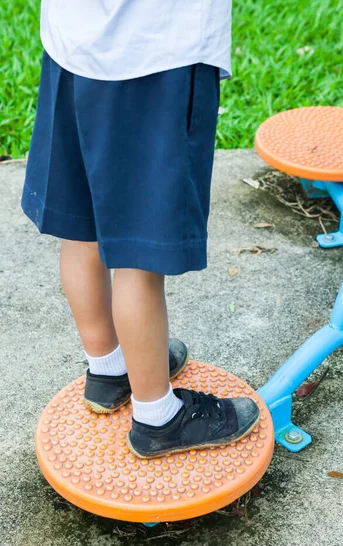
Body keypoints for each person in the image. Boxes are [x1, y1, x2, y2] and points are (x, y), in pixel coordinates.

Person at [21, 0, 260, 459]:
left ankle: (109, 370)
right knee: (139, 251)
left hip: (75, 45)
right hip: (153, 57)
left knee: (82, 226)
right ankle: (159, 417)